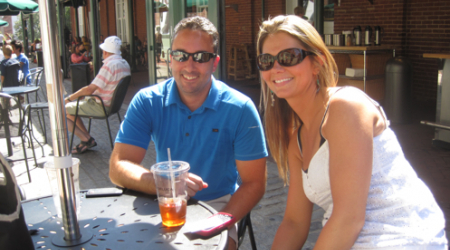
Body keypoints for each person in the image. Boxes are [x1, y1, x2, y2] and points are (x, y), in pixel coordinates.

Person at [256, 15, 447, 249]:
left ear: (318, 63)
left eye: (288, 57)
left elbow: (348, 219)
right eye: (266, 60)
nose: (276, 67)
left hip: (403, 239)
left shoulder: (344, 107)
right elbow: (294, 223)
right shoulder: (297, 144)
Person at [109, 16, 267, 250]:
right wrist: (164, 184)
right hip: (162, 200)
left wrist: (217, 223)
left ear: (214, 63)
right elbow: (118, 166)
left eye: (201, 57)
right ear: (170, 59)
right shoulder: (147, 101)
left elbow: (255, 183)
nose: (190, 66)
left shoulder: (240, 108)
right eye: (181, 55)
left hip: (218, 204)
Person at [64, 36, 130, 154]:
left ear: (105, 52)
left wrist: (69, 98)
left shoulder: (109, 66)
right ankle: (87, 139)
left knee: (61, 111)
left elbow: (89, 89)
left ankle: (86, 139)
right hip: (113, 106)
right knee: (73, 109)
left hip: (100, 105)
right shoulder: (125, 64)